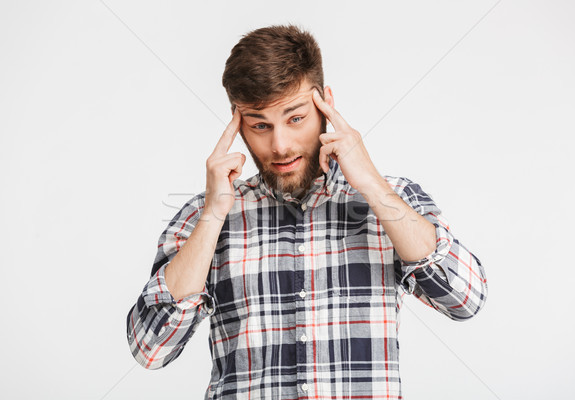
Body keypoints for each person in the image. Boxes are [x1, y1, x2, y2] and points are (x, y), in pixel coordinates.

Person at [126, 24, 488, 399]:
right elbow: (150, 349)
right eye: (260, 125)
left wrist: (371, 185)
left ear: (325, 104)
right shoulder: (205, 214)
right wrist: (214, 216)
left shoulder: (391, 199)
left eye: (295, 118)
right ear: (238, 123)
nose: (279, 145)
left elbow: (465, 299)